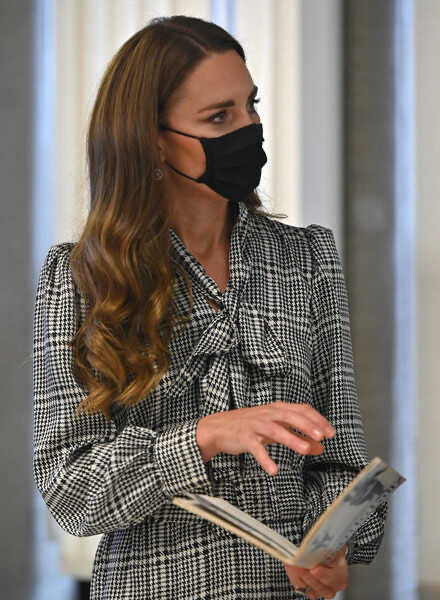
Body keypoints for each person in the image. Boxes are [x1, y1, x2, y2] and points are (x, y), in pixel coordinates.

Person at [32, 15, 388, 600]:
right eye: (219, 117)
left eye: (251, 106)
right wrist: (203, 437)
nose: (249, 129)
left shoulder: (308, 258)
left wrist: (333, 544)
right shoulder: (80, 279)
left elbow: (341, 458)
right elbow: (70, 489)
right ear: (151, 138)